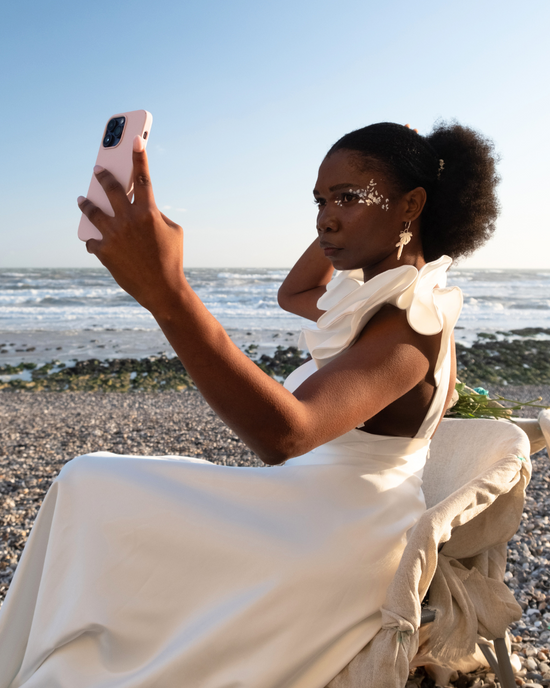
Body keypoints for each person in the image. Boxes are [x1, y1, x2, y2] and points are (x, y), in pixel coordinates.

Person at [0, 121, 499, 688]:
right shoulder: (367, 296)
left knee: (88, 482)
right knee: (87, 486)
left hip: (341, 534)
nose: (323, 218)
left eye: (347, 197)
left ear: (412, 204)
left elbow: (286, 435)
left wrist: (170, 294)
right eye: (319, 200)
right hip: (305, 497)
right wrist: (360, 211)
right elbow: (293, 294)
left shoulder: (413, 322)